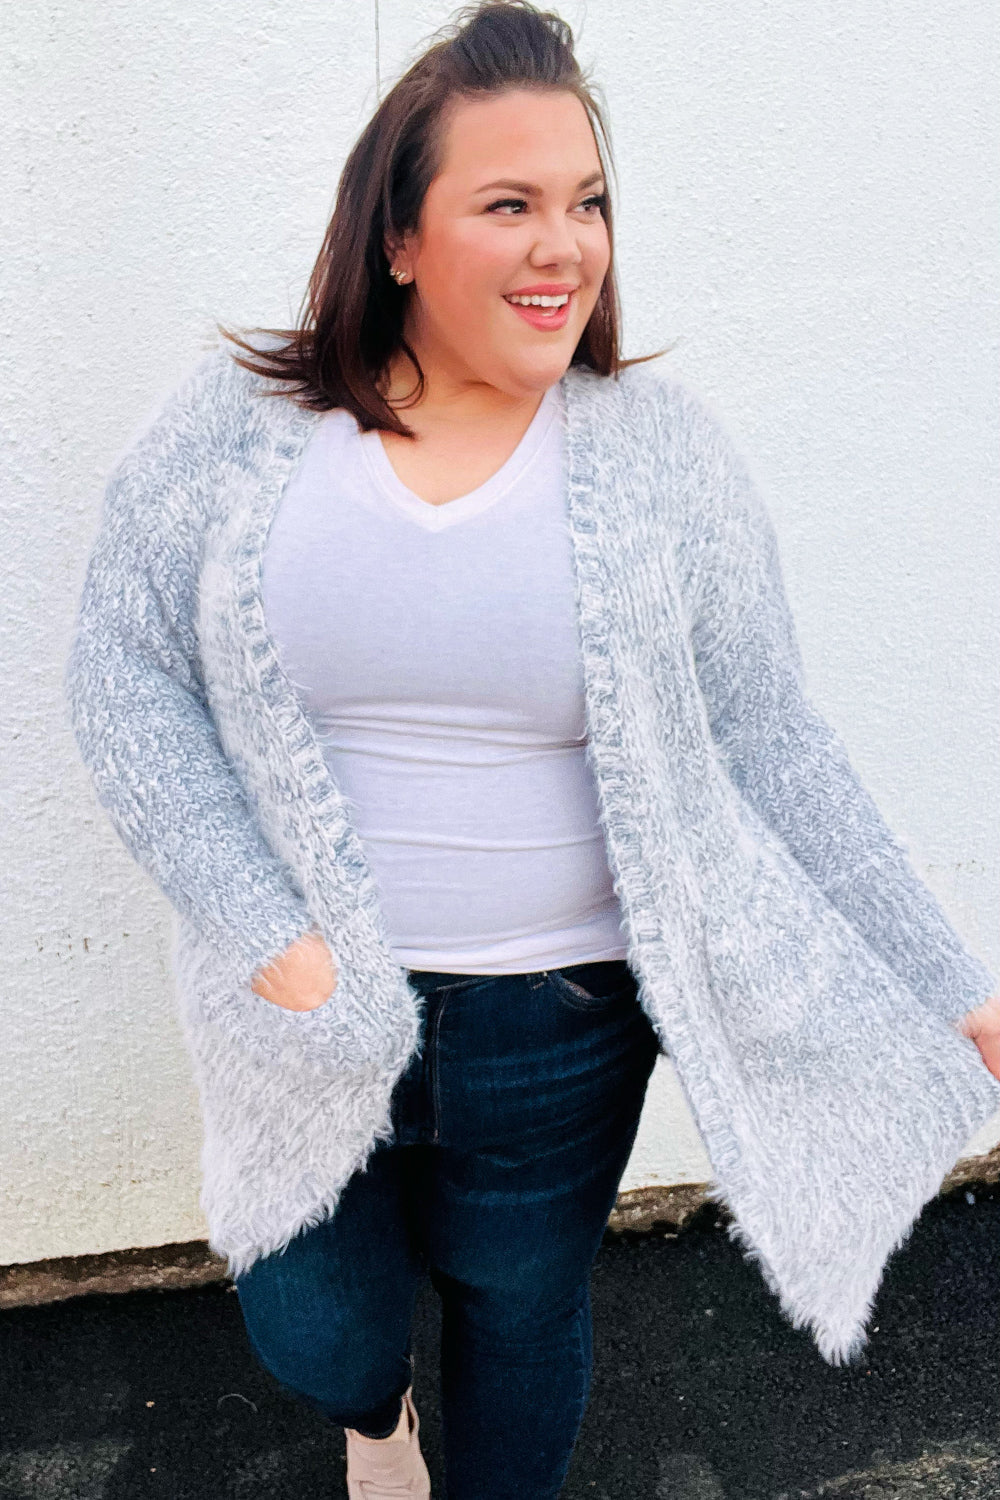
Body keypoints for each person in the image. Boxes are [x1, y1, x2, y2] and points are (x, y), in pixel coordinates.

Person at [64, 2, 1000, 1496]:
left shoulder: (662, 456)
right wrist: (269, 934)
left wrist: (951, 982)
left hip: (560, 1015)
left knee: (519, 1307)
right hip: (301, 1007)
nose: (564, 245)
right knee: (314, 1320)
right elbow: (124, 672)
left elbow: (772, 737)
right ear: (399, 237)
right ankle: (375, 1417)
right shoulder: (242, 431)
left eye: (588, 202)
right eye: (509, 204)